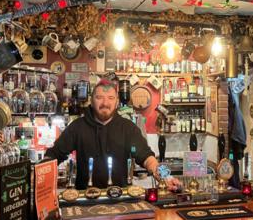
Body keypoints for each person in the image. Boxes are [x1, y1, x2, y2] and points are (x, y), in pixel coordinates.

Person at [45, 79, 181, 190]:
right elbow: (54, 155)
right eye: (99, 97)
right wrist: (40, 173)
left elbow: (148, 158)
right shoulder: (77, 127)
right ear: (91, 101)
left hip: (120, 199)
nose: (105, 103)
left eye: (110, 98)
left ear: (116, 102)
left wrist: (166, 177)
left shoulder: (128, 128)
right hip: (85, 200)